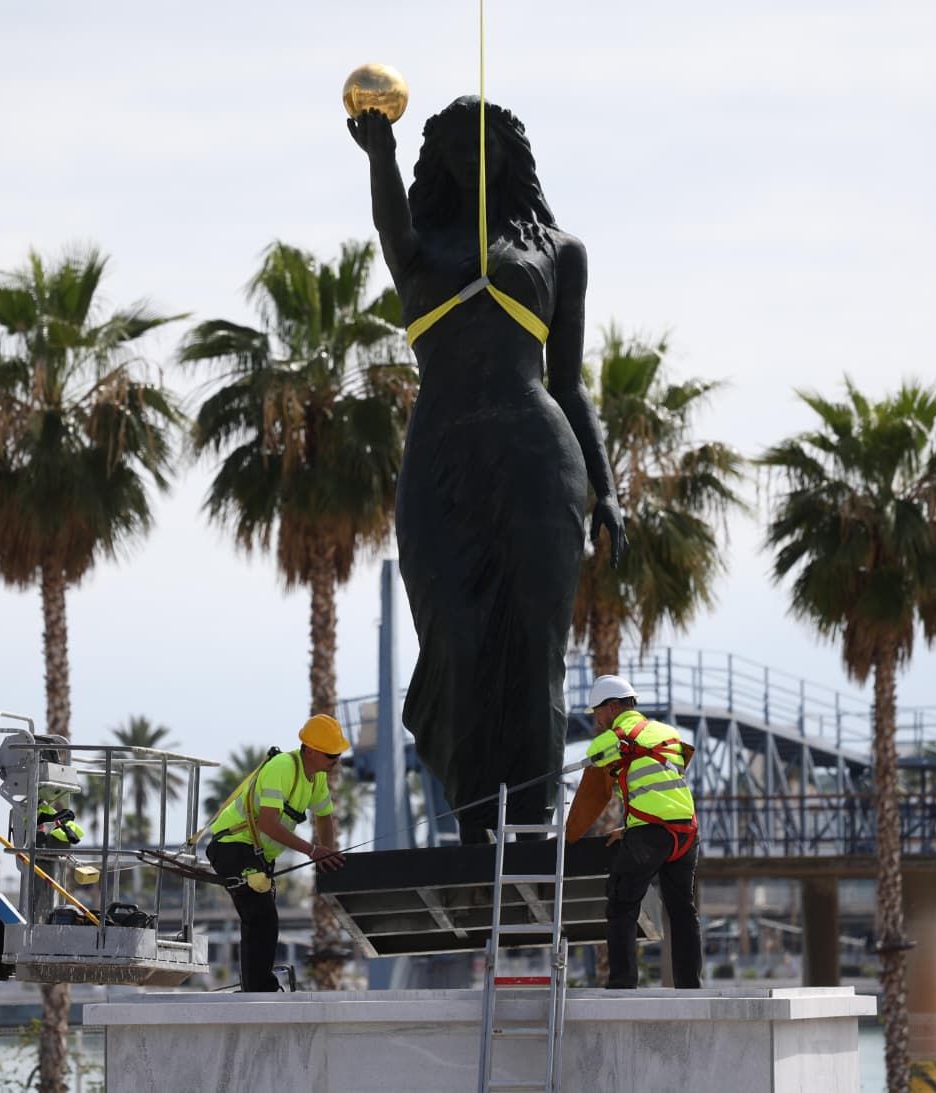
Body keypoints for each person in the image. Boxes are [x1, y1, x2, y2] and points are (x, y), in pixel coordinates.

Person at [349, 97, 626, 840]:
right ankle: (474, 828)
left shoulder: (561, 251)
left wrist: (607, 488)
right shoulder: (418, 246)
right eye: (456, 148)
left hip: (540, 458)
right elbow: (389, 223)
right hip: (441, 457)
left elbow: (569, 386)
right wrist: (380, 153)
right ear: (436, 160)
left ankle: (532, 824)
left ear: (509, 154)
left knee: (537, 643)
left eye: (485, 145)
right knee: (456, 637)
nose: (473, 159)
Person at [565, 674, 702, 988]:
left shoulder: (613, 739)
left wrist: (570, 836)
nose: (597, 720)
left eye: (598, 712)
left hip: (650, 835)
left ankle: (622, 985)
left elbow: (594, 793)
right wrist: (629, 829)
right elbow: (662, 789)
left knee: (622, 903)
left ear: (612, 707)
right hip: (685, 834)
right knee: (682, 910)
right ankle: (690, 987)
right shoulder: (667, 732)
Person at [204, 715, 349, 991]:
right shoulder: (282, 768)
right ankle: (260, 990)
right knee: (262, 915)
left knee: (260, 917)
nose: (336, 760)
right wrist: (312, 851)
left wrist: (326, 855)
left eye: (339, 754)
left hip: (256, 855)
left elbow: (324, 817)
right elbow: (267, 823)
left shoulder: (316, 778)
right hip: (232, 846)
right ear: (310, 750)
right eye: (331, 754)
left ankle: (255, 988)